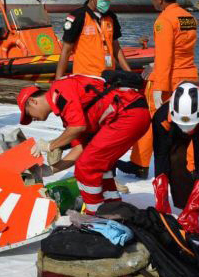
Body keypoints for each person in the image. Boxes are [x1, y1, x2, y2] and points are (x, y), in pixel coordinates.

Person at [17, 74, 150, 214]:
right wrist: (50, 170)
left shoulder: (60, 89)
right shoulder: (66, 111)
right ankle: (113, 207)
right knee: (98, 166)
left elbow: (77, 127)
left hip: (127, 114)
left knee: (86, 167)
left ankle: (96, 216)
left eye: (28, 114)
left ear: (32, 101)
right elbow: (79, 149)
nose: (32, 119)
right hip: (130, 114)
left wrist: (50, 145)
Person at [119, 0, 199, 179]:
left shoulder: (164, 21)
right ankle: (191, 166)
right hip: (189, 78)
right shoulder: (188, 18)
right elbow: (182, 52)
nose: (152, 0)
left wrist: (158, 88)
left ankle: (140, 164)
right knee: (188, 125)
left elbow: (165, 57)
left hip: (169, 81)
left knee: (149, 122)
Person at [152, 82, 199, 233]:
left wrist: (193, 209)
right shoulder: (161, 116)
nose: (188, 131)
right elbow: (161, 156)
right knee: (176, 160)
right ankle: (183, 198)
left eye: (190, 127)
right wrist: (162, 201)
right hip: (174, 130)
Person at [55, 0, 131, 79]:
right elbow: (66, 50)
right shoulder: (78, 17)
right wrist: (58, 80)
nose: (106, 1)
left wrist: (131, 74)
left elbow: (116, 48)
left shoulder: (111, 17)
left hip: (108, 78)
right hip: (85, 79)